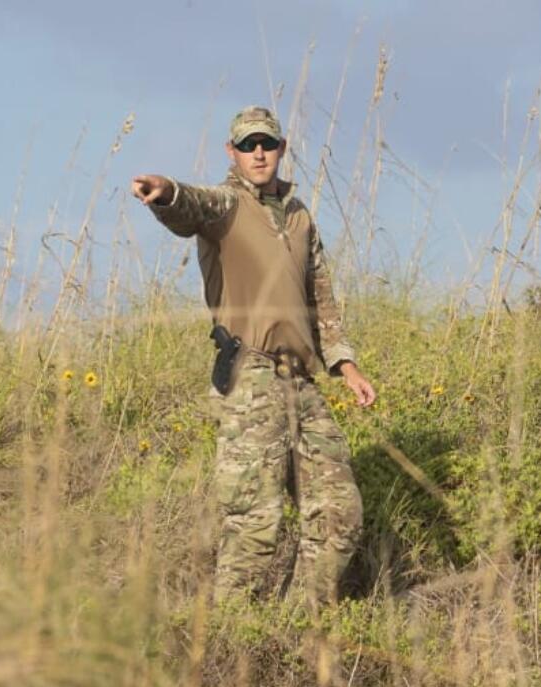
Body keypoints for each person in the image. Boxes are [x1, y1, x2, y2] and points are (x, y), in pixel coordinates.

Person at [131, 105, 376, 607]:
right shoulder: (225, 206)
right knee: (254, 524)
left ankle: (295, 628)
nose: (258, 153)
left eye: (266, 143)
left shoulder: (301, 215)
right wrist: (165, 193)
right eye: (247, 145)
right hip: (252, 376)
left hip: (303, 381)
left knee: (339, 515)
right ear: (232, 153)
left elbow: (321, 297)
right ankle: (229, 641)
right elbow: (190, 205)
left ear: (282, 149)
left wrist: (345, 365)